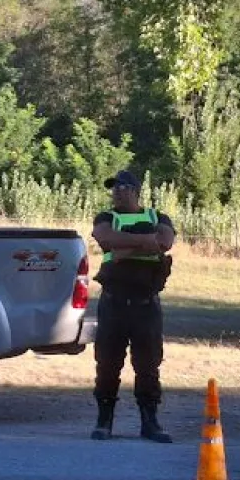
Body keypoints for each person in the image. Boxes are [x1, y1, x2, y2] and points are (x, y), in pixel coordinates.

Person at [90, 170, 175, 443]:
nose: (116, 191)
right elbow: (105, 239)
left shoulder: (157, 217)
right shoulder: (106, 217)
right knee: (107, 364)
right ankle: (104, 421)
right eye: (113, 187)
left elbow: (164, 241)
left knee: (148, 366)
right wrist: (145, 244)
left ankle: (150, 421)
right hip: (114, 303)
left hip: (145, 304)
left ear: (135, 190)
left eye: (122, 187)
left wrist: (124, 249)